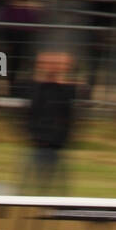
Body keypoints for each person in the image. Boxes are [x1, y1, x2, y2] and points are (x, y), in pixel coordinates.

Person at [22, 50, 78, 194]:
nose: (52, 67)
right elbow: (28, 113)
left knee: (56, 184)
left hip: (55, 144)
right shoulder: (36, 88)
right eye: (48, 64)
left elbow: (69, 116)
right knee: (31, 184)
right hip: (39, 142)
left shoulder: (65, 90)